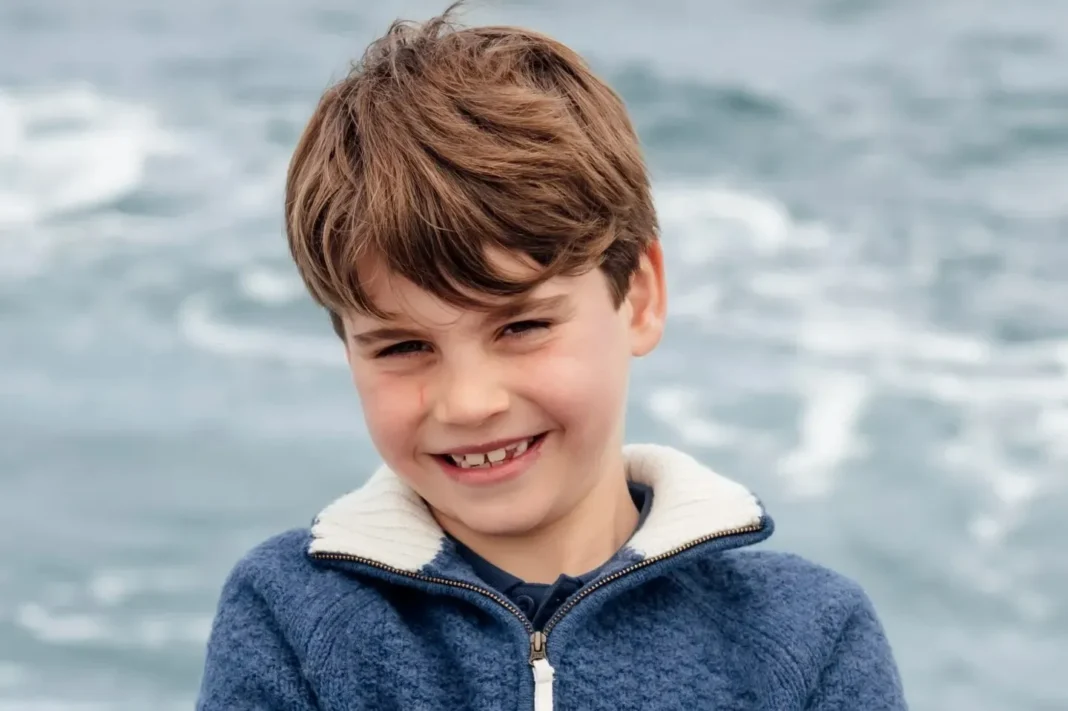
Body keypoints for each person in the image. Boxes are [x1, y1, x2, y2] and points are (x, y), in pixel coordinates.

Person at [196, 4, 907, 709]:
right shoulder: (288, 619)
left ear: (640, 296)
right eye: (405, 346)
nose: (469, 402)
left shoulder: (811, 636)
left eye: (522, 327)